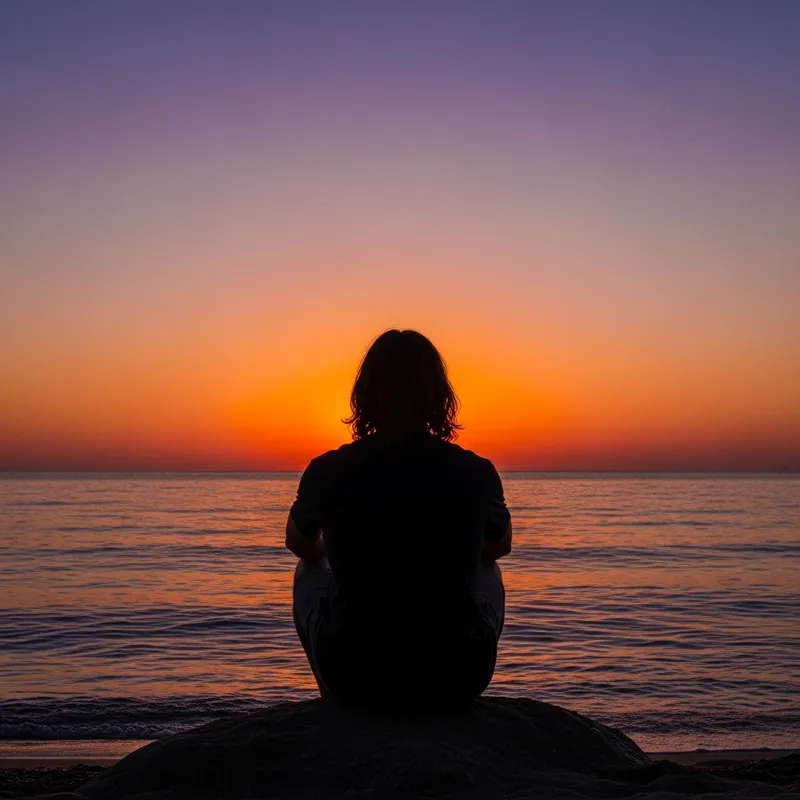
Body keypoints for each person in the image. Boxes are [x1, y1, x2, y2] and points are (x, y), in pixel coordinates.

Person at [285, 329, 511, 713]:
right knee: (490, 571)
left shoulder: (329, 469)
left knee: (308, 571)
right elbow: (499, 546)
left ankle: (332, 699)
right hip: (458, 677)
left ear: (365, 394)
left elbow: (298, 543)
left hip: (355, 677)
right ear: (439, 397)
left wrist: (340, 548)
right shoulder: (476, 472)